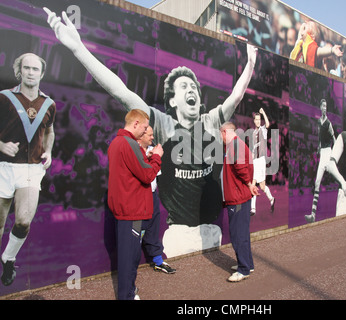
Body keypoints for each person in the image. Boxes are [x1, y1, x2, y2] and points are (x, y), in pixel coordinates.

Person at [44, 8, 257, 258]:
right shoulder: (163, 124)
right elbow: (121, 92)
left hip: (212, 231)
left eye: (194, 87)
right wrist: (78, 49)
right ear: (174, 100)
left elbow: (237, 95)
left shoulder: (210, 121)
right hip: (179, 235)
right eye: (184, 86)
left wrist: (251, 62)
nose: (192, 90)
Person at [0, 53, 56, 287]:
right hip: (3, 167)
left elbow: (50, 131)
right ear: (19, 71)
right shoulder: (4, 98)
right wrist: (1, 145)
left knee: (23, 221)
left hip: (31, 169)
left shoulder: (49, 104)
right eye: (27, 68)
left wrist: (49, 151)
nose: (31, 72)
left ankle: (8, 258)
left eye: (35, 69)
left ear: (42, 74)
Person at [107, 109, 163, 300]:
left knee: (129, 257)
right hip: (132, 211)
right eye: (145, 127)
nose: (147, 132)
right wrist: (156, 157)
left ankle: (129, 291)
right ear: (136, 123)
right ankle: (127, 295)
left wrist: (148, 159)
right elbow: (147, 175)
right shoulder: (128, 143)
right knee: (129, 258)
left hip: (128, 209)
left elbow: (132, 170)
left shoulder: (118, 143)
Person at [220, 122, 259, 282]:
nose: (220, 138)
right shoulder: (237, 144)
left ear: (224, 132)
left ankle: (243, 269)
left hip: (237, 198)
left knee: (238, 234)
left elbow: (241, 168)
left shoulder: (234, 145)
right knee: (242, 233)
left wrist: (250, 185)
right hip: (239, 197)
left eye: (220, 134)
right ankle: (247, 264)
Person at [136, 127, 175, 274]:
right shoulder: (133, 151)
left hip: (152, 195)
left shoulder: (153, 151)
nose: (153, 137)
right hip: (138, 198)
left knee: (153, 228)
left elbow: (153, 175)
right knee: (136, 232)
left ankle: (158, 261)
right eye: (150, 135)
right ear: (141, 135)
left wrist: (154, 157)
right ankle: (130, 268)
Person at [305, 99, 335, 223]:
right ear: (320, 107)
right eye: (323, 105)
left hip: (328, 152)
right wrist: (318, 146)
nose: (324, 108)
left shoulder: (328, 123)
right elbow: (319, 135)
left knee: (337, 177)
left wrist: (334, 153)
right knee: (317, 182)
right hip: (322, 152)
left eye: (326, 106)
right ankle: (313, 214)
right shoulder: (319, 121)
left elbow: (333, 137)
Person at [250, 108, 275, 215]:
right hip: (255, 160)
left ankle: (272, 199)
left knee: (262, 187)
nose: (258, 121)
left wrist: (263, 112)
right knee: (253, 184)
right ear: (254, 121)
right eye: (256, 119)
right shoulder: (253, 133)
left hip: (261, 161)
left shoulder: (263, 130)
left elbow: (268, 124)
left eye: (259, 119)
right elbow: (253, 149)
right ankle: (253, 209)